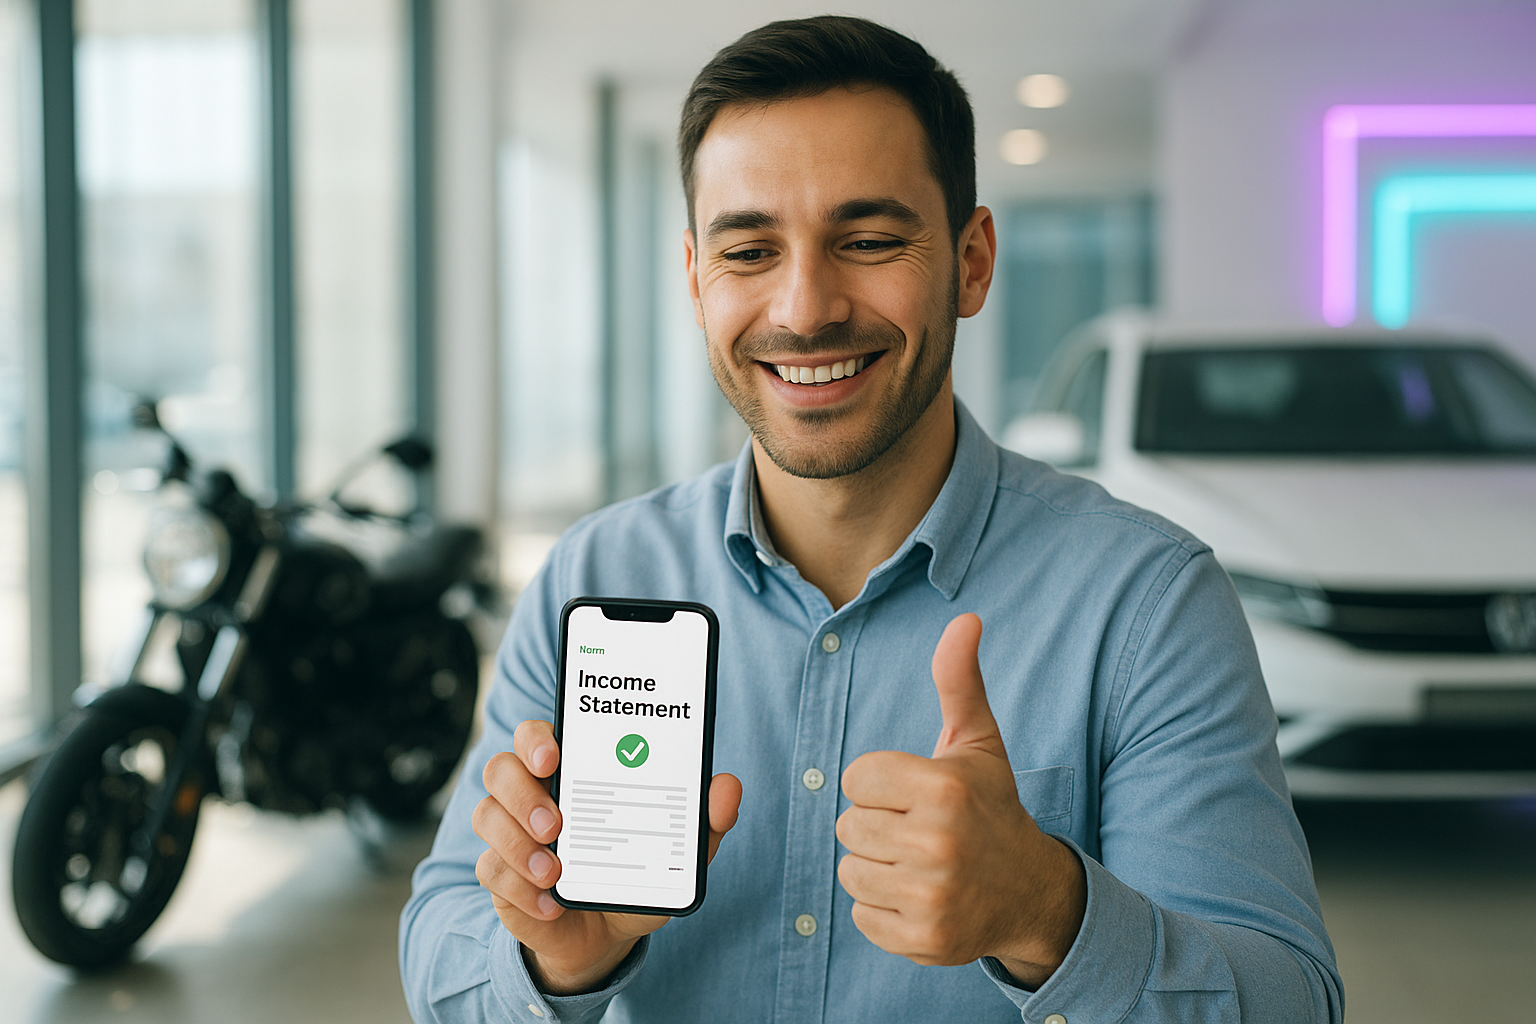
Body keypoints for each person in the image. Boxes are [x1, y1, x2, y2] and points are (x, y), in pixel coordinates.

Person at [400, 15, 1343, 1023]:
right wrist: (555, 963)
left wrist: (1047, 913)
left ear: (972, 262)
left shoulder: (1146, 603)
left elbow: (1289, 1001)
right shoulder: (597, 575)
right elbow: (444, 951)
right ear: (696, 279)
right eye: (749, 250)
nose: (804, 308)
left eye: (869, 241)